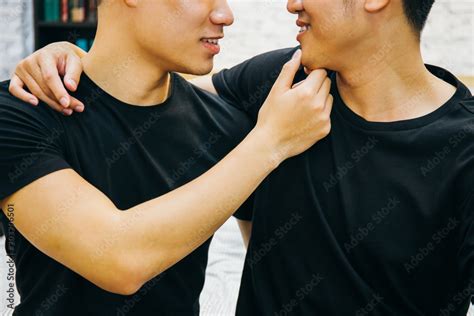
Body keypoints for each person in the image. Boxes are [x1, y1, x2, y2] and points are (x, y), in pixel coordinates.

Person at [9, 0, 474, 314]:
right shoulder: (277, 92)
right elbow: (117, 255)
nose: (227, 14)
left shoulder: (463, 149)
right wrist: (64, 56)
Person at [0, 0, 333, 315]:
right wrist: (271, 142)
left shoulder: (225, 127)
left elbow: (268, 272)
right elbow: (118, 259)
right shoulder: (18, 112)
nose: (225, 15)